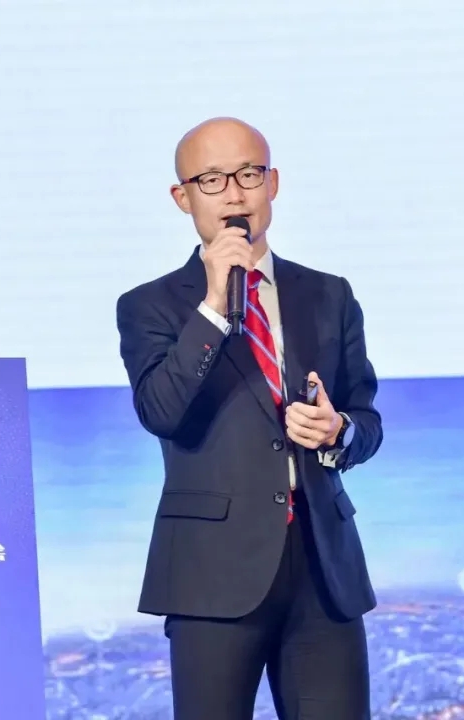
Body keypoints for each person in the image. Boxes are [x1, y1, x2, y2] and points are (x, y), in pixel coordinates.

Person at [114, 117, 384, 719]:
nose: (234, 194)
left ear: (273, 183)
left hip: (323, 568)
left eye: (248, 174)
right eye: (212, 180)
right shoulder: (150, 305)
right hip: (211, 572)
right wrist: (214, 306)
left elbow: (367, 420)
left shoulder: (329, 294)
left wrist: (339, 431)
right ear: (182, 197)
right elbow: (160, 410)